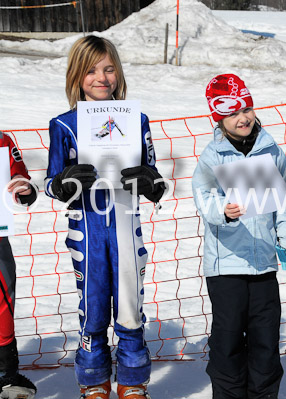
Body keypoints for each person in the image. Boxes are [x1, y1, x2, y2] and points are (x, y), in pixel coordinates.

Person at [45, 35, 166, 399]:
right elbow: (50, 181)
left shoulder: (137, 119)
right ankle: (94, 379)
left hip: (127, 227)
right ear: (77, 76)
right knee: (94, 307)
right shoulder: (64, 124)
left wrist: (150, 181)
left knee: (130, 307)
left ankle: (133, 379)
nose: (102, 77)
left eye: (109, 69)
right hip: (88, 228)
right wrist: (65, 183)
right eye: (92, 70)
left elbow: (154, 176)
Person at [192, 74, 286, 399]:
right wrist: (223, 209)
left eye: (246, 108)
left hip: (264, 263)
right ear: (219, 117)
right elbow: (202, 197)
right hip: (226, 266)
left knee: (266, 339)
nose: (243, 117)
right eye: (233, 112)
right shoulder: (213, 156)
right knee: (228, 339)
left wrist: (285, 240)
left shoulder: (271, 150)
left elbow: (283, 202)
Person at [0, 132, 38, 399]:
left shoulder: (2, 141)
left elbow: (21, 182)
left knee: (2, 303)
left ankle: (5, 376)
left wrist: (24, 189)